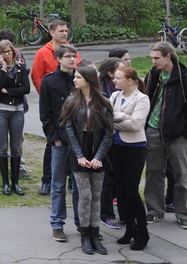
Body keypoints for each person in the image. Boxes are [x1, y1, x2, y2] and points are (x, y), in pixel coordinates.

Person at [144, 41, 187, 230]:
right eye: (152, 58)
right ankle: (154, 210)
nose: (153, 62)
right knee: (153, 172)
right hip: (153, 130)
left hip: (176, 134)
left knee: (181, 174)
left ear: (168, 56)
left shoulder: (185, 79)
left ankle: (183, 213)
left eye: (156, 58)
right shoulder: (153, 75)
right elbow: (146, 99)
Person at [62, 63, 115, 255]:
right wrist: (79, 155)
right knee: (85, 195)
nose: (74, 80)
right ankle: (85, 235)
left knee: (96, 196)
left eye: (78, 77)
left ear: (88, 80)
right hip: (79, 152)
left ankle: (95, 234)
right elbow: (68, 129)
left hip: (98, 152)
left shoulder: (103, 101)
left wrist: (99, 157)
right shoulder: (71, 101)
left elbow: (109, 132)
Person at [32, 20, 81, 196]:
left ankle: (71, 180)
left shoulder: (73, 51)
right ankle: (47, 180)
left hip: (74, 114)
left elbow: (81, 72)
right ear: (52, 32)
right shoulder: (42, 53)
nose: (64, 33)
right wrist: (47, 95)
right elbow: (37, 76)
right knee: (52, 149)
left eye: (66, 30)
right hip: (54, 106)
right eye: (61, 31)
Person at [39, 44, 79, 243]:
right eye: (68, 56)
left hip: (80, 142)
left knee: (80, 185)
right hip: (60, 141)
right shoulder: (49, 81)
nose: (73, 60)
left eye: (74, 56)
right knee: (57, 184)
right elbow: (45, 114)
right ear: (59, 59)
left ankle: (82, 222)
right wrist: (54, 138)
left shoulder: (81, 79)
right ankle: (57, 223)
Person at [109, 65, 150, 251]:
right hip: (117, 147)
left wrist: (115, 122)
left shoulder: (142, 99)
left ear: (130, 80)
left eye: (118, 78)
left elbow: (136, 124)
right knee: (121, 191)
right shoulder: (115, 96)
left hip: (134, 148)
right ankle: (130, 228)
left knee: (131, 191)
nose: (114, 81)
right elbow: (106, 117)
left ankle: (143, 232)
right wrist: (121, 116)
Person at [0, 39, 30, 196]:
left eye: (8, 52)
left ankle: (16, 183)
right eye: (2, 52)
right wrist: (3, 69)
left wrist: (10, 92)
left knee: (16, 146)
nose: (6, 55)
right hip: (0, 110)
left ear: (14, 52)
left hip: (17, 110)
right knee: (3, 145)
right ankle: (5, 183)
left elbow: (26, 88)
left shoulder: (22, 68)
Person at [96, 57, 123, 229]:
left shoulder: (122, 89)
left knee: (118, 177)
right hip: (106, 140)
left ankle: (122, 212)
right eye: (121, 69)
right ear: (111, 74)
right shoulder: (103, 91)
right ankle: (105, 214)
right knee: (108, 177)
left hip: (121, 140)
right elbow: (108, 117)